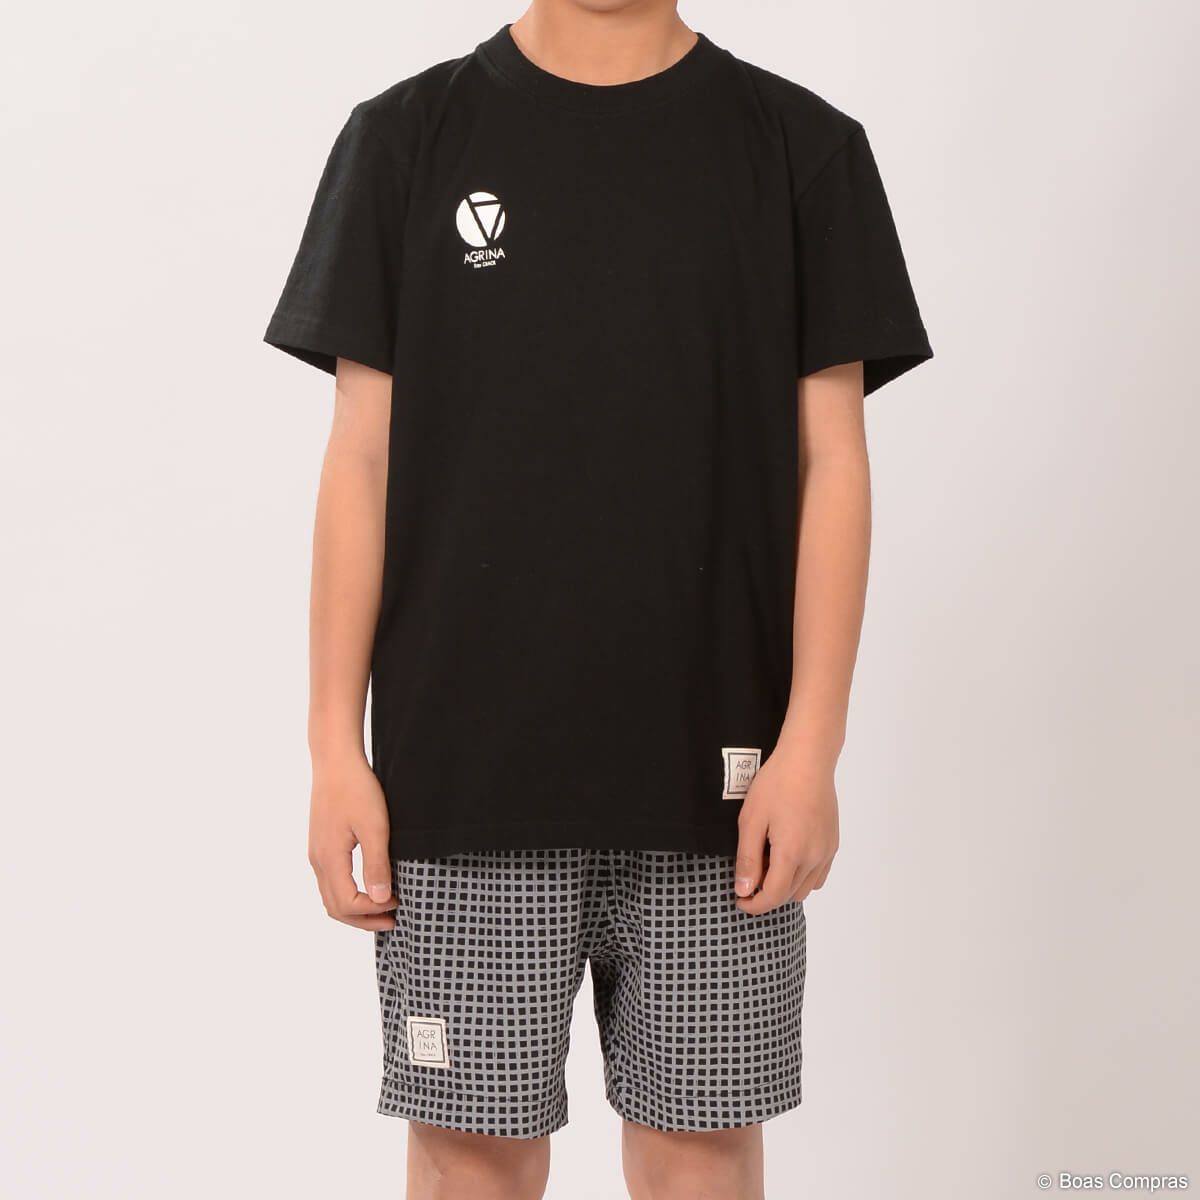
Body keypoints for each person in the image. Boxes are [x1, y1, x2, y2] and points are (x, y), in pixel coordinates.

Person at [262, 0, 933, 1195]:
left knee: (701, 1160)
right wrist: (331, 747)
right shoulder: (405, 140)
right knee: (470, 1163)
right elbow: (359, 459)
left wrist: (812, 746)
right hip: (461, 785)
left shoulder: (801, 150)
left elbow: (833, 461)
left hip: (721, 795)